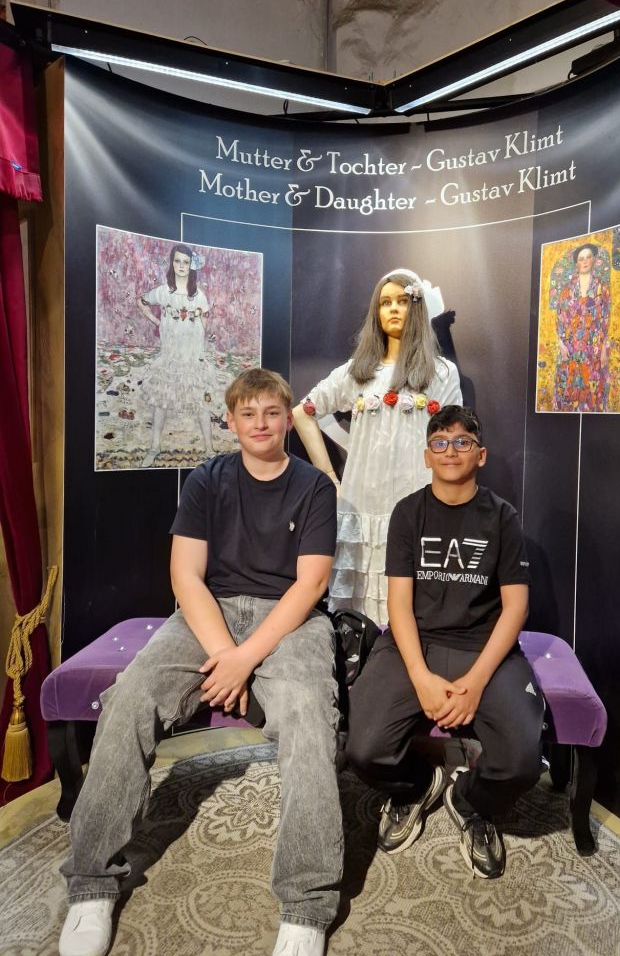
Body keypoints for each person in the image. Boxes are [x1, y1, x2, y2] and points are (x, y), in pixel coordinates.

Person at [58, 368, 342, 956]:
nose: (261, 424)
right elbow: (185, 575)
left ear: (287, 420)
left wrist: (246, 658)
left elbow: (310, 585)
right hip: (209, 612)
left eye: (272, 413)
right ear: (231, 421)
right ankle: (91, 883)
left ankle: (306, 904)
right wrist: (223, 655)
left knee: (310, 717)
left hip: (290, 618)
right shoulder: (208, 480)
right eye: (248, 414)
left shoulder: (315, 487)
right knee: (131, 698)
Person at [345, 405, 545, 879]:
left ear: (480, 455)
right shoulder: (408, 512)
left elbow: (515, 608)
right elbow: (398, 605)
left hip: (484, 648)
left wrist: (475, 683)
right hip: (416, 644)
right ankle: (416, 787)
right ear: (427, 456)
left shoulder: (502, 517)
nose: (450, 450)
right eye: (440, 442)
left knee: (522, 761)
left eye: (462, 442)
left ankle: (470, 800)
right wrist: (421, 678)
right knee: (363, 750)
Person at [292, 269, 461, 625]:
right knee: (360, 607)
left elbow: (455, 439)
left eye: (402, 301)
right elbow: (302, 412)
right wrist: (329, 477)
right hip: (363, 503)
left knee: (415, 601)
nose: (393, 309)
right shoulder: (357, 372)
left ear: (417, 307)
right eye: (385, 303)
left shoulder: (442, 373)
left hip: (418, 502)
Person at [137, 242, 221, 468]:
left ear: (191, 265)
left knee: (201, 403)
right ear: (172, 263)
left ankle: (209, 449)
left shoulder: (199, 296)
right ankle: (155, 446)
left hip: (192, 357)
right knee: (161, 402)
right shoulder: (163, 291)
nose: (181, 266)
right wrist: (157, 321)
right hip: (170, 357)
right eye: (177, 261)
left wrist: (199, 345)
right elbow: (141, 301)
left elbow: (204, 323)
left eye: (185, 262)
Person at [554, 242, 611, 412]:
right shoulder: (567, 290)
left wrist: (603, 348)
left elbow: (605, 319)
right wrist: (561, 344)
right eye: (581, 258)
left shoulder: (602, 288)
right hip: (571, 348)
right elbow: (559, 318)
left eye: (588, 257)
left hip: (593, 348)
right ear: (576, 263)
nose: (585, 261)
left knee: (593, 389)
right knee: (568, 389)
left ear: (593, 260)